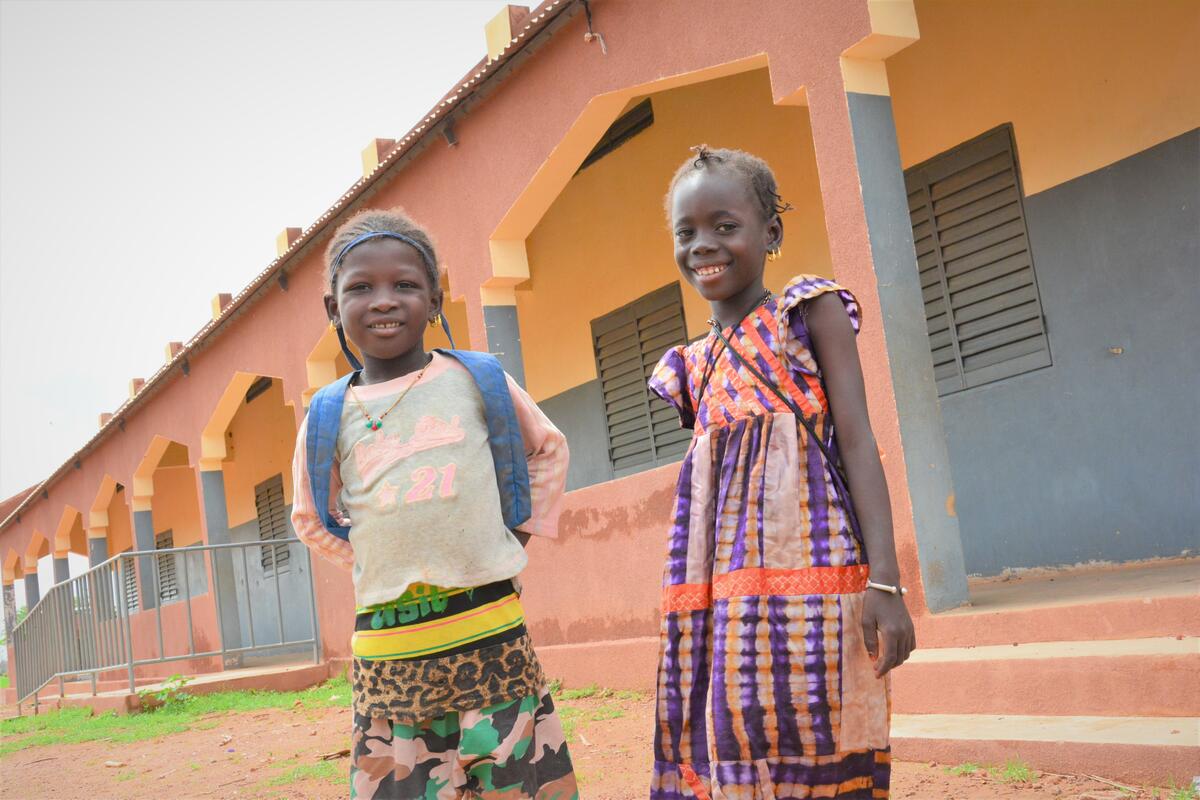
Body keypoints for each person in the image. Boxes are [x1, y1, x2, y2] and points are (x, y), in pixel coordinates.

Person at [648, 146, 916, 799]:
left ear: (771, 233)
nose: (703, 245)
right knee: (729, 748)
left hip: (818, 588)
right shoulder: (688, 366)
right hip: (720, 602)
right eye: (686, 233)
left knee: (824, 742)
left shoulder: (806, 314)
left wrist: (887, 581)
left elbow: (855, 439)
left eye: (724, 225)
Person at [290, 208, 577, 800]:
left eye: (405, 285)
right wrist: (384, 557)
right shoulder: (327, 414)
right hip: (389, 660)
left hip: (492, 639)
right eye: (361, 288)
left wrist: (506, 539)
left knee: (519, 783)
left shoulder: (477, 379)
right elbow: (310, 517)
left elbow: (546, 450)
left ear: (437, 298)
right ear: (332, 309)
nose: (384, 301)